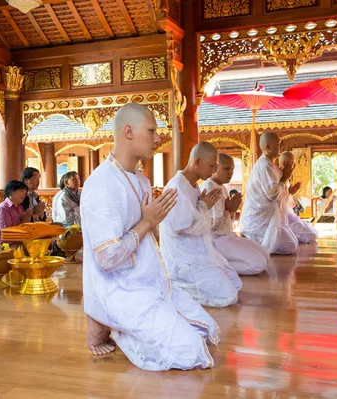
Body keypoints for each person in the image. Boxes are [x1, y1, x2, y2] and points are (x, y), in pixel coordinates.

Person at [81, 103, 220, 371]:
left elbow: (150, 236)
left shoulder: (141, 180)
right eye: (152, 130)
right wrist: (147, 221)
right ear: (129, 132)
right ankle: (102, 318)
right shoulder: (102, 185)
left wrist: (152, 222)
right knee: (190, 352)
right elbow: (107, 259)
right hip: (122, 289)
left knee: (206, 332)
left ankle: (118, 323)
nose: (158, 138)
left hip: (150, 280)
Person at [160, 142, 241, 307]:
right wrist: (204, 206)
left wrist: (205, 206)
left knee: (236, 283)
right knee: (229, 297)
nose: (213, 171)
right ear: (197, 162)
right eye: (211, 166)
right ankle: (178, 289)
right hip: (183, 260)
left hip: (199, 252)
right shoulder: (177, 186)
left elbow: (200, 221)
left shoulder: (193, 185)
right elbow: (182, 226)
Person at [200, 153, 270, 276]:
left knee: (266, 255)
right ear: (215, 168)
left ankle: (220, 261)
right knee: (259, 264)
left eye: (232, 169)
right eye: (226, 168)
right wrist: (230, 211)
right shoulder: (209, 187)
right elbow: (211, 225)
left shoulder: (222, 188)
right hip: (216, 240)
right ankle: (214, 265)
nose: (231, 172)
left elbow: (226, 218)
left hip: (228, 236)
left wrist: (231, 211)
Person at [240, 132, 298, 255]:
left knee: (293, 242)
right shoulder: (264, 166)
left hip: (267, 218)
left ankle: (256, 240)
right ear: (268, 147)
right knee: (290, 246)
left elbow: (279, 192)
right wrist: (285, 178)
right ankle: (252, 239)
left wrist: (284, 176)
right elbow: (273, 195)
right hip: (259, 220)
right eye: (278, 144)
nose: (281, 147)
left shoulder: (270, 165)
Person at [278, 152, 319, 244]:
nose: (293, 166)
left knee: (314, 233)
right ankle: (286, 235)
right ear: (283, 164)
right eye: (290, 163)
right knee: (312, 235)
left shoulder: (286, 180)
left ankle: (289, 235)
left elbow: (287, 203)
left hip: (290, 217)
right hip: (281, 220)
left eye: (294, 163)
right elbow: (275, 201)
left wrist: (290, 193)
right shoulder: (277, 178)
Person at [0, 180, 32, 247]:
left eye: (25, 192)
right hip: (3, 247)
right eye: (22, 191)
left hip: (18, 243)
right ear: (12, 192)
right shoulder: (3, 209)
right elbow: (7, 234)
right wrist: (24, 222)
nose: (24, 195)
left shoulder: (20, 207)